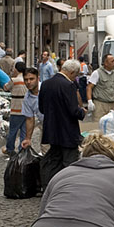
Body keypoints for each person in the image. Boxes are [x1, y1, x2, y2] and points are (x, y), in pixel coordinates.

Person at [37, 59, 86, 187]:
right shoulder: (68, 85)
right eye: (75, 76)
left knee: (54, 160)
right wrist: (82, 112)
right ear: (71, 72)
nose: (75, 78)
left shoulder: (46, 84)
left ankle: (48, 186)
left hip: (52, 130)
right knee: (69, 161)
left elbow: (41, 108)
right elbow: (73, 110)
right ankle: (68, 187)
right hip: (67, 130)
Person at [86, 53, 114, 120]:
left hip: (112, 105)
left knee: (112, 125)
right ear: (106, 63)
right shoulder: (97, 73)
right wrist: (89, 101)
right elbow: (89, 87)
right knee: (98, 125)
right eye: (112, 61)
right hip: (100, 105)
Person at [4, 61, 28, 155]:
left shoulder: (14, 80)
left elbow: (6, 88)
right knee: (24, 132)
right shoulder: (27, 80)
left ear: (16, 69)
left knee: (13, 131)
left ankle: (10, 149)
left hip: (16, 109)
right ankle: (22, 149)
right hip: (26, 109)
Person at [20, 66, 43, 151]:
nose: (28, 82)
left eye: (31, 79)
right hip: (45, 127)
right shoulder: (27, 97)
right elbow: (29, 118)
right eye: (26, 79)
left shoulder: (46, 89)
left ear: (38, 78)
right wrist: (28, 138)